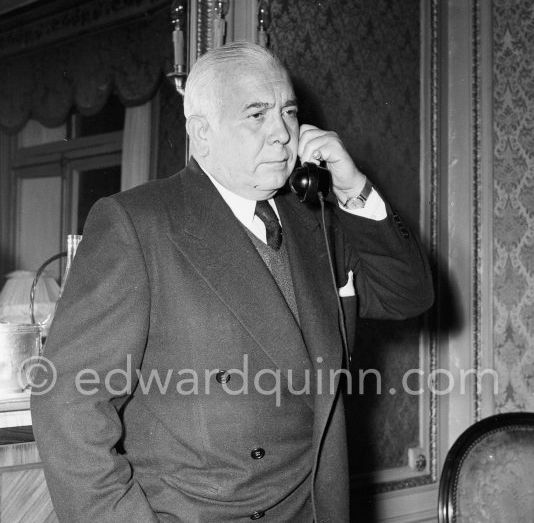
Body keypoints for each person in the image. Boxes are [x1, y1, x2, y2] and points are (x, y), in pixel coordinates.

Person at [31, 41, 433, 522]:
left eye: (288, 112)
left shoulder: (315, 223)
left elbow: (408, 294)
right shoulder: (139, 224)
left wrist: (353, 188)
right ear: (202, 134)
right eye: (256, 115)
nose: (283, 134)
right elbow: (68, 399)